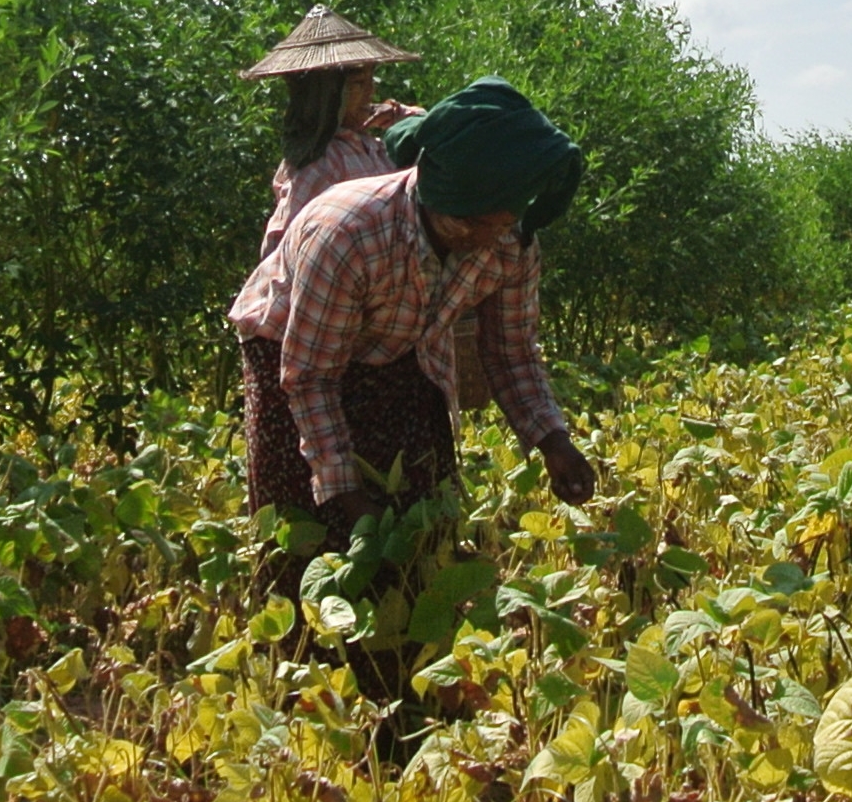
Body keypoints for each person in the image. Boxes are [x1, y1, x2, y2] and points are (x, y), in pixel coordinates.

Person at [230, 75, 595, 571]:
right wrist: (346, 496)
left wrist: (554, 441)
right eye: (475, 224)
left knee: (420, 508)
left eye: (501, 223)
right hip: (289, 345)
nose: (488, 238)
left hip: (398, 344)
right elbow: (312, 377)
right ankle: (307, 641)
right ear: (439, 198)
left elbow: (510, 352)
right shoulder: (349, 234)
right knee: (307, 524)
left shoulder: (510, 241)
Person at [241, 5, 425, 258]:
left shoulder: (371, 147)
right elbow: (282, 245)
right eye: (359, 84)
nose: (370, 92)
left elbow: (430, 132)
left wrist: (396, 113)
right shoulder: (319, 164)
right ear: (329, 95)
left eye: (372, 81)